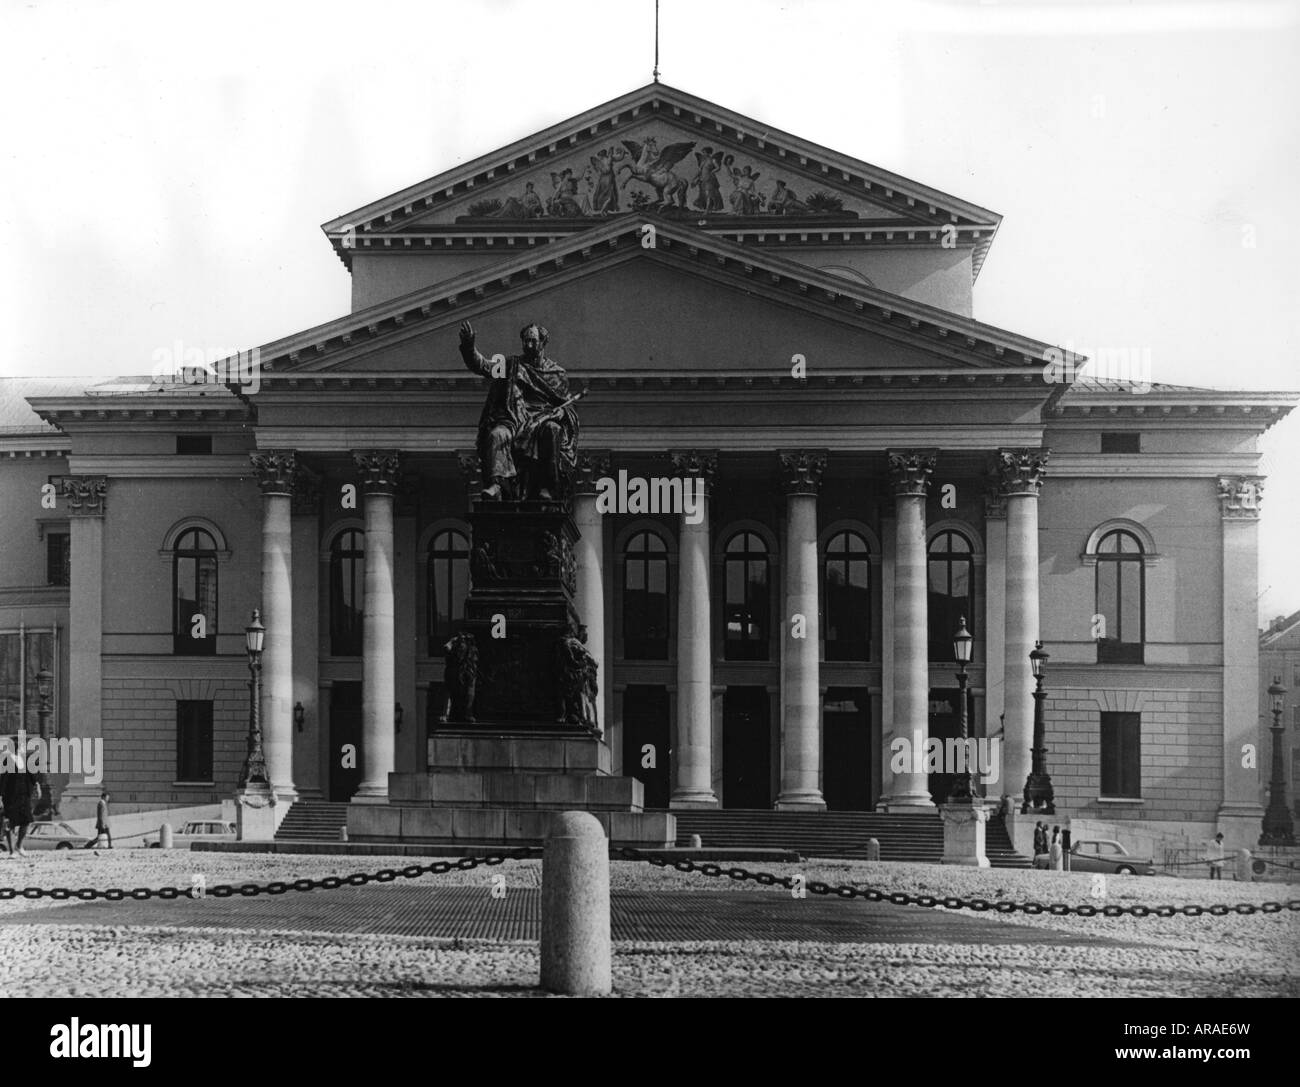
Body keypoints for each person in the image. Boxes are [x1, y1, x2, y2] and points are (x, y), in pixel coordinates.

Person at [458, 320, 579, 500]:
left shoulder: (557, 374)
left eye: (533, 341)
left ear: (543, 343)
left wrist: (560, 413)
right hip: (514, 418)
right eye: (525, 341)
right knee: (497, 434)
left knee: (553, 430)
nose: (528, 345)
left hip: (542, 421)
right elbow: (483, 366)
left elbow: (566, 407)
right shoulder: (509, 365)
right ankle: (496, 485)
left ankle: (547, 487)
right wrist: (469, 347)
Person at [1, 745, 40, 858]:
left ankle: (19, 846)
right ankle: (12, 851)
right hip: (10, 797)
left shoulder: (25, 761)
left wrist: (37, 786)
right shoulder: (7, 761)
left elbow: (31, 775)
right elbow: (2, 780)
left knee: (26, 821)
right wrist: (0, 797)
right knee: (10, 824)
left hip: (24, 796)